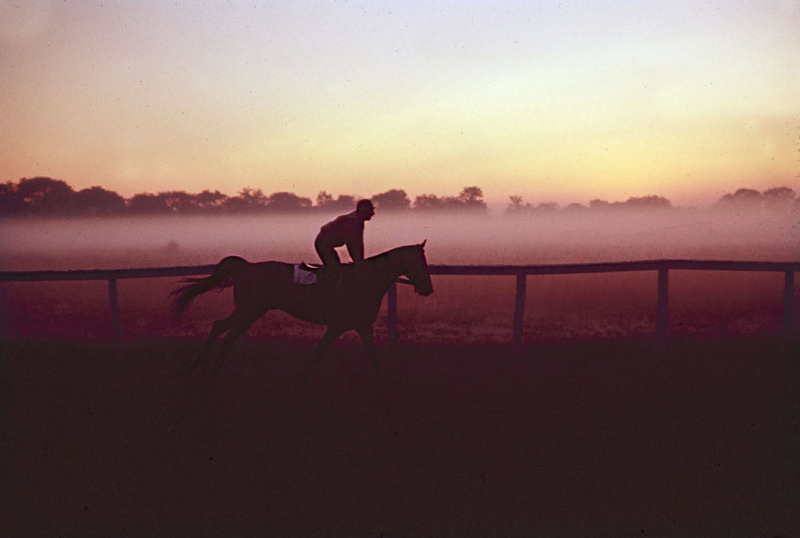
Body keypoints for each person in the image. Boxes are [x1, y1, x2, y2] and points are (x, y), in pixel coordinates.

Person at [314, 199, 375, 290]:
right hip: (323, 244)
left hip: (326, 244)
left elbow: (358, 243)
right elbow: (352, 245)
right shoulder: (352, 222)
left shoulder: (358, 221)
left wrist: (360, 261)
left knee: (337, 267)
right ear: (364, 211)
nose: (373, 213)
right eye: (371, 211)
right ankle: (327, 289)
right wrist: (359, 263)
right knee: (334, 269)